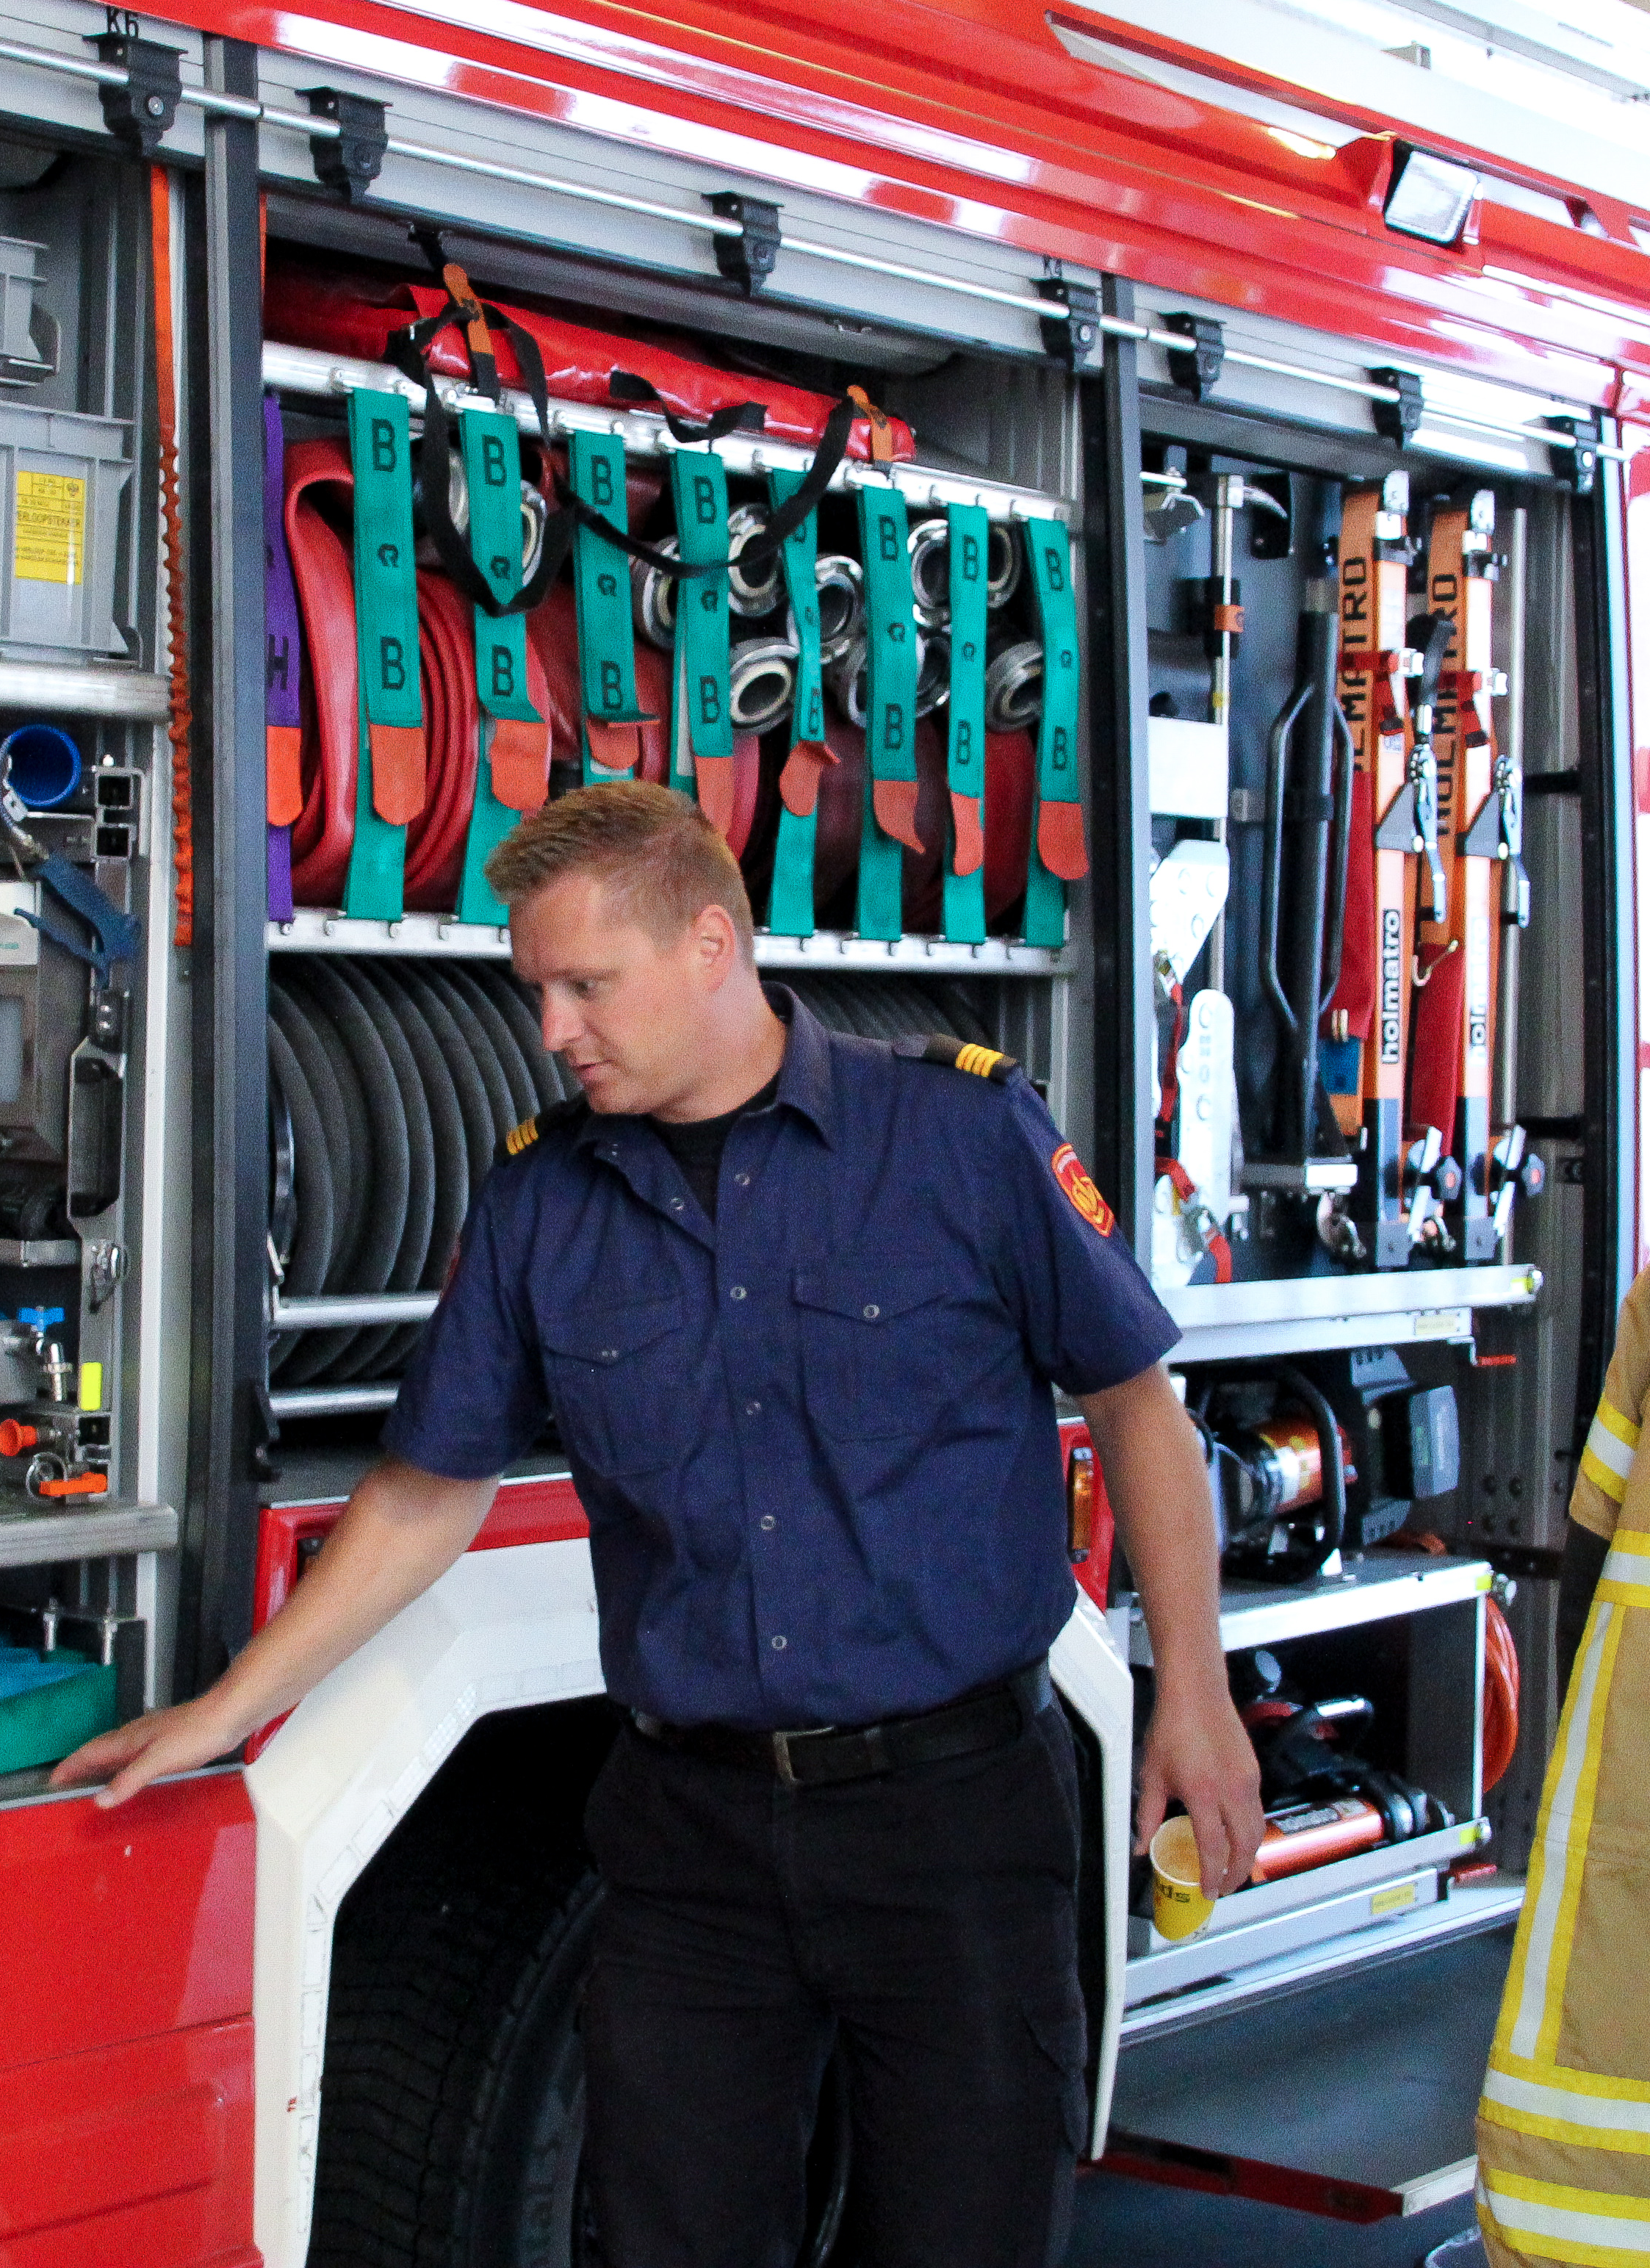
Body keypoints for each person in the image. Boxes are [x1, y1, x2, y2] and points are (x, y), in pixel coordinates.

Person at [61, 781, 1263, 2267]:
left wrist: (1191, 1695)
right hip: (691, 1845)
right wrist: (228, 1710)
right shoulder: (539, 1202)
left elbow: (1141, 1406)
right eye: (537, 994)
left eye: (586, 986)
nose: (555, 1030)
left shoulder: (958, 1138)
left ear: (710, 945)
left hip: (951, 1822)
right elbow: (430, 1490)